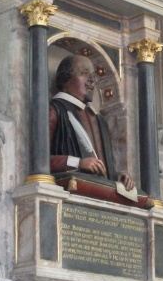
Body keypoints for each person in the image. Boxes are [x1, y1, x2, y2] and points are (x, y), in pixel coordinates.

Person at [49, 54, 135, 191]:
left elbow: (102, 168)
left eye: (93, 76)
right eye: (83, 73)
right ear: (65, 79)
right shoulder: (55, 110)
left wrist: (118, 176)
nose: (92, 81)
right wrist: (78, 162)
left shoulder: (99, 119)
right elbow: (40, 160)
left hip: (101, 193)